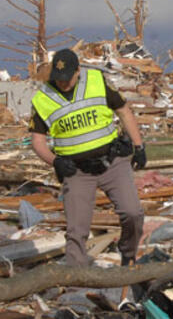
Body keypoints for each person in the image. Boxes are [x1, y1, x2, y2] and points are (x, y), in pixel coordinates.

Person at [29, 48, 147, 266]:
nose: (63, 83)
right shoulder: (42, 98)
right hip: (76, 169)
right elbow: (37, 141)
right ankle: (77, 279)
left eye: (68, 78)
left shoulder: (97, 81)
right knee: (77, 229)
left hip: (112, 161)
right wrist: (55, 161)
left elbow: (123, 111)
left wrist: (138, 145)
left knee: (132, 213)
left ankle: (128, 254)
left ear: (78, 71)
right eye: (59, 78)